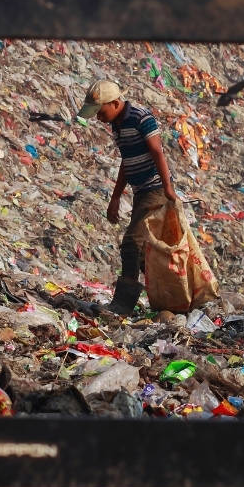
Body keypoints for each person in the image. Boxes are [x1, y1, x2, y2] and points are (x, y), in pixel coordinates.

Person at [77, 79, 180, 315]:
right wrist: (115, 197)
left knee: (132, 243)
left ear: (114, 103)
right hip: (140, 192)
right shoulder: (118, 124)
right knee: (145, 251)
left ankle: (122, 306)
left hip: (154, 189)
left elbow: (157, 151)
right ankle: (171, 299)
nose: (99, 118)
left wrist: (168, 188)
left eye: (101, 113)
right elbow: (127, 161)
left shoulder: (141, 117)